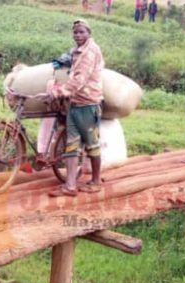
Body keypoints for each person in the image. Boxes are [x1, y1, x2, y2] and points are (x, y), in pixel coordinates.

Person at [47, 19, 105, 197]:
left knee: (91, 144)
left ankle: (95, 181)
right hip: (75, 103)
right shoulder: (77, 51)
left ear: (89, 33)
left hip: (88, 104)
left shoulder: (90, 52)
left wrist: (60, 91)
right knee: (71, 145)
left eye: (81, 32)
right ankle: (70, 185)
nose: (78, 35)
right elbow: (68, 65)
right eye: (75, 32)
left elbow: (80, 79)